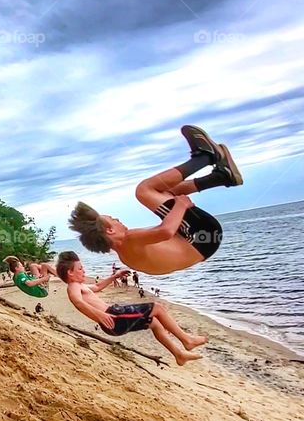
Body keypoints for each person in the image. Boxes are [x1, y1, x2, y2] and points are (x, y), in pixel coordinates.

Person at [68, 125, 242, 275]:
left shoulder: (126, 255)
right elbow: (165, 231)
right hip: (201, 235)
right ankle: (205, 157)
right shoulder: (129, 238)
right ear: (110, 230)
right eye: (113, 219)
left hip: (204, 244)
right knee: (144, 190)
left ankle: (221, 177)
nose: (118, 219)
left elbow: (165, 242)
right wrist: (180, 206)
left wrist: (173, 206)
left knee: (161, 191)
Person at [57, 251, 207, 366]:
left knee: (154, 322)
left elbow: (97, 286)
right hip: (113, 318)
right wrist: (99, 316)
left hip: (113, 317)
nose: (84, 271)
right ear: (70, 273)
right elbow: (78, 302)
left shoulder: (80, 286)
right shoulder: (73, 287)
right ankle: (187, 340)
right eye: (80, 269)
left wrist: (114, 276)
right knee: (158, 308)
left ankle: (178, 355)